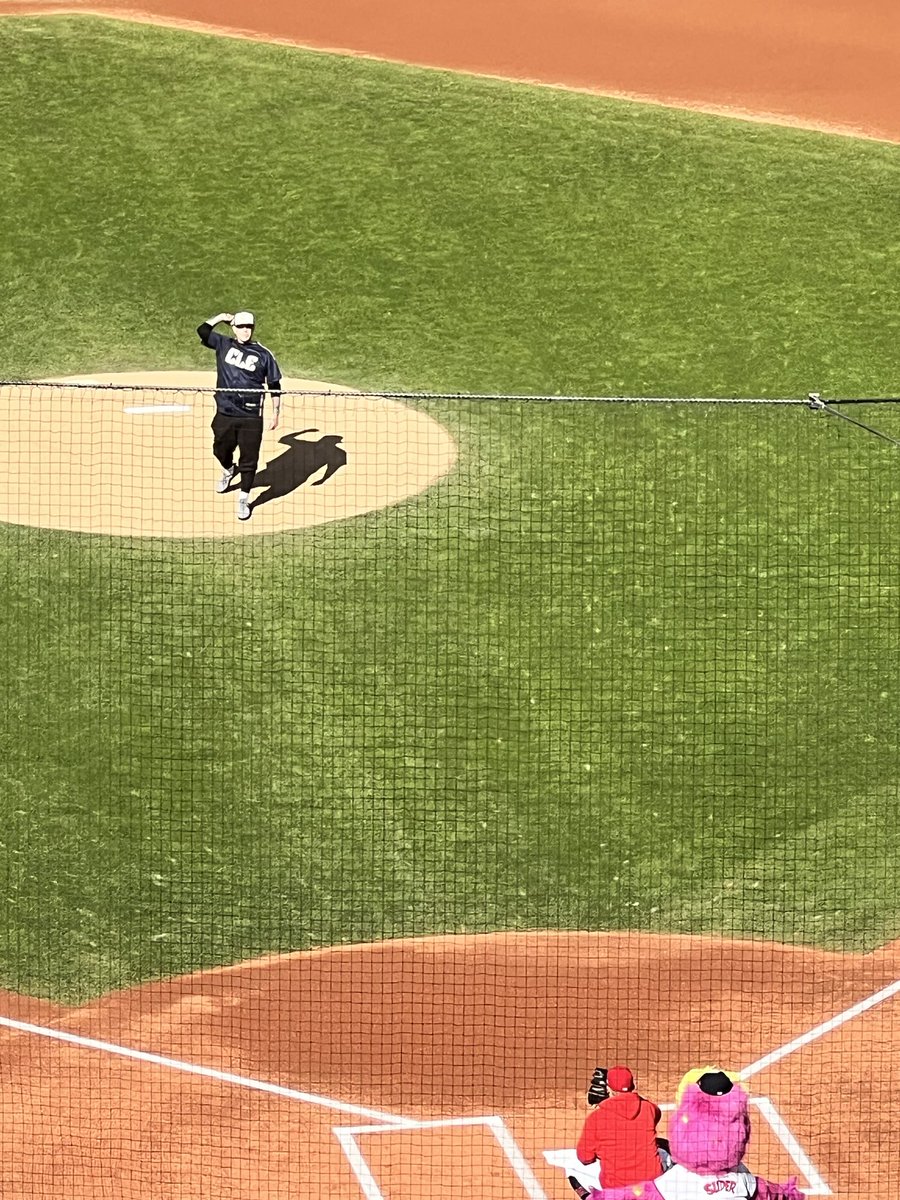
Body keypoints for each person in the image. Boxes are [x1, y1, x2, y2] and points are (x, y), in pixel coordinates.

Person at [197, 310, 282, 521]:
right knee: (220, 448)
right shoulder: (224, 344)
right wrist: (220, 318)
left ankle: (244, 498)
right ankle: (228, 469)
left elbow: (274, 384)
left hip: (251, 415)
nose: (245, 331)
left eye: (249, 327)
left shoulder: (263, 354)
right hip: (225, 411)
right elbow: (202, 331)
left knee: (249, 458)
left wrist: (276, 412)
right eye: (241, 327)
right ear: (233, 328)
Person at [573, 1065, 663, 1191]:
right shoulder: (649, 1109)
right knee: (664, 1151)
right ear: (633, 1085)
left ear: (608, 1088)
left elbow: (585, 1157)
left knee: (574, 1172)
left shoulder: (596, 1118)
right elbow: (656, 1113)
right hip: (652, 1184)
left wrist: (603, 1103)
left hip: (616, 1187)